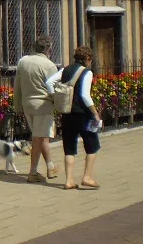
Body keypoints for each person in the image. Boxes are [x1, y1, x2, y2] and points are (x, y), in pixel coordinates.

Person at [47, 45, 101, 190]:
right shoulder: (87, 72)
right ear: (87, 58)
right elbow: (85, 95)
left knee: (69, 148)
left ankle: (69, 181)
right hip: (84, 115)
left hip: (67, 114)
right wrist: (95, 113)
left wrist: (54, 97)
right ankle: (87, 177)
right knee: (92, 146)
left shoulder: (65, 70)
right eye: (90, 59)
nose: (90, 62)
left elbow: (49, 82)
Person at [13, 35, 59, 182]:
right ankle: (33, 172)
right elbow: (55, 88)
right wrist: (59, 105)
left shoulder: (23, 61)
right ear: (48, 49)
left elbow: (17, 86)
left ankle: (50, 166)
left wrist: (17, 105)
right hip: (43, 105)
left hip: (28, 104)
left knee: (41, 135)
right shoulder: (49, 65)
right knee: (38, 138)